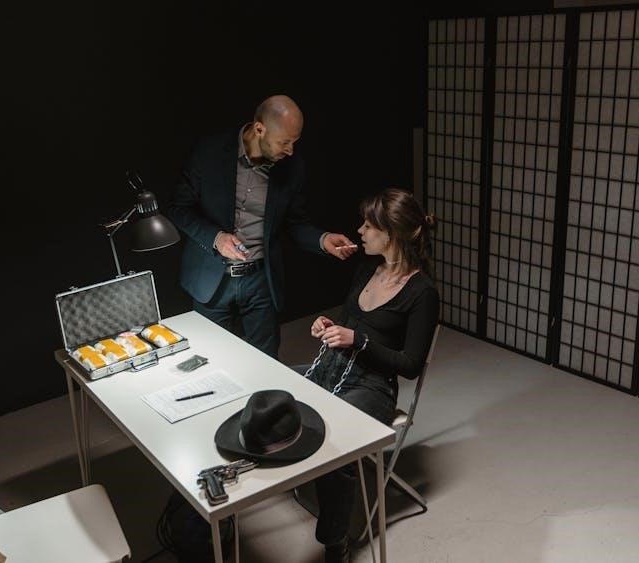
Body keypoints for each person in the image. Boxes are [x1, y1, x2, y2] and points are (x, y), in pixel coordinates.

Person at [297, 188, 439, 563]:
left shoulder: (422, 292)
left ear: (390, 234)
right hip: (335, 366)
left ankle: (335, 543)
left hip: (374, 385)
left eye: (368, 225)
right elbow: (348, 322)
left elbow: (410, 365)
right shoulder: (366, 269)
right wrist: (327, 326)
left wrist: (358, 341)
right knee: (277, 389)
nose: (359, 230)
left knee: (337, 444)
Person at [169, 94, 356, 358]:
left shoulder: (292, 167)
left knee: (266, 362)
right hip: (211, 278)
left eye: (294, 142)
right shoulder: (210, 151)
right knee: (211, 360)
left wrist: (322, 239)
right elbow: (179, 208)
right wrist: (216, 238)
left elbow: (294, 224)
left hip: (260, 280)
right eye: (284, 142)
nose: (290, 150)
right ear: (259, 129)